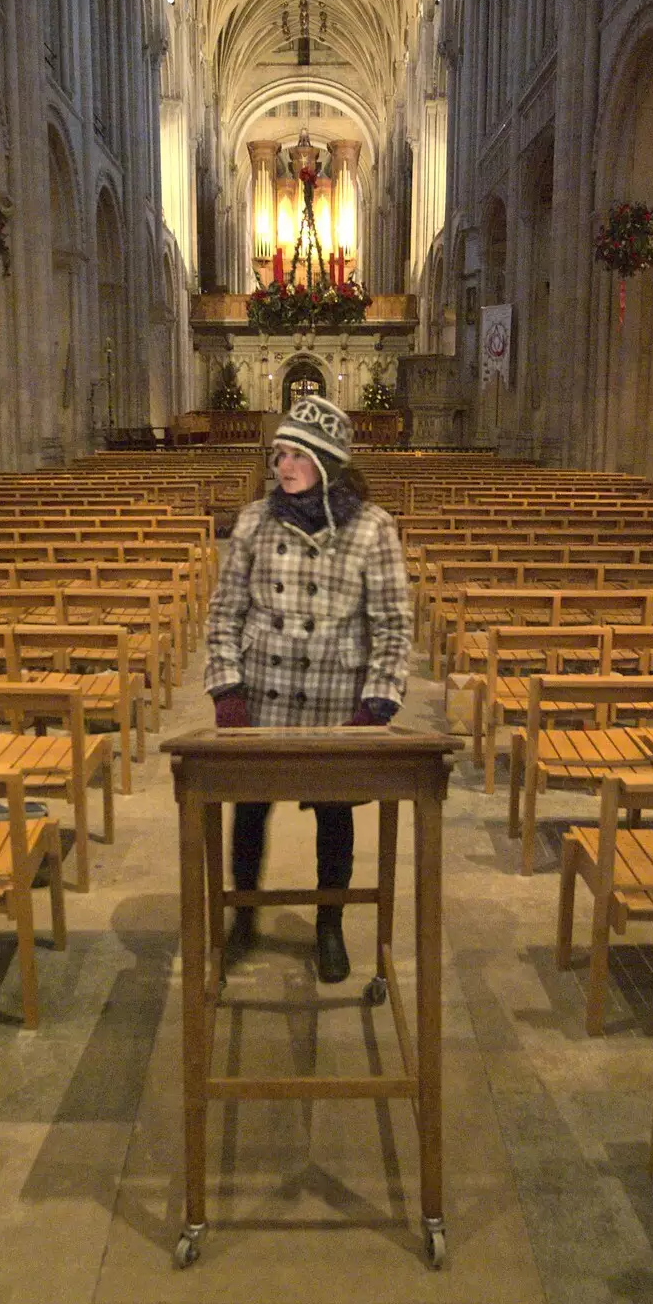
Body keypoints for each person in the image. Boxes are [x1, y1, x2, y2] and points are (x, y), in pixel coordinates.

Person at [204, 395, 412, 982]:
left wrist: (377, 706)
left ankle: (330, 925)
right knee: (248, 810)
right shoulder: (252, 522)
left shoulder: (373, 529)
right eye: (278, 453)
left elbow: (394, 624)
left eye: (296, 453)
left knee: (334, 816)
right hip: (263, 696)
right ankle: (243, 915)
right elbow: (224, 615)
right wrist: (228, 693)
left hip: (336, 703)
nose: (282, 465)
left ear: (327, 460)